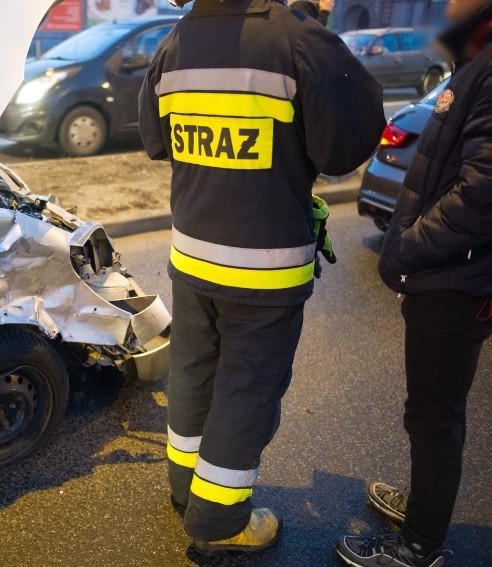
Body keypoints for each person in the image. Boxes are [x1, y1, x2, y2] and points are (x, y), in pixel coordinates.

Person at [139, 0, 384, 561]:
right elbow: (346, 144)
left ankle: (187, 490)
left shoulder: (175, 43)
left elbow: (157, 142)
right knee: (246, 389)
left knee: (194, 373)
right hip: (265, 266)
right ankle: (220, 522)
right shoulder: (294, 38)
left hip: (193, 257)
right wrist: (310, 26)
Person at [336, 1, 492, 566]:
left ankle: (419, 546)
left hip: (455, 278)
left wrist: (407, 247)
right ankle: (426, 508)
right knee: (427, 411)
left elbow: (482, 194)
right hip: (451, 271)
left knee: (434, 415)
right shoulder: (474, 57)